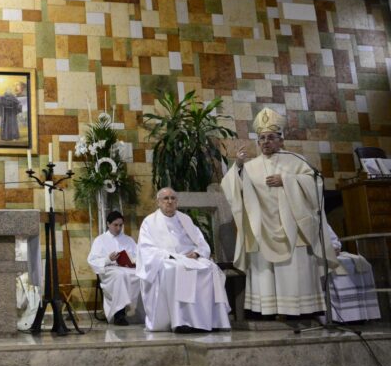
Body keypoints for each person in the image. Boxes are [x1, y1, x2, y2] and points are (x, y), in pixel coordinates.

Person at [220, 107, 337, 317]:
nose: (265, 142)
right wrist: (237, 166)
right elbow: (231, 188)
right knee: (266, 273)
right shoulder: (250, 166)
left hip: (294, 229)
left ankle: (301, 311)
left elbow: (316, 183)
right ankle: (270, 311)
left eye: (270, 137)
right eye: (262, 138)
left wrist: (287, 180)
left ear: (281, 140)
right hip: (263, 229)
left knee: (295, 271)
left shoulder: (296, 161)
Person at [136, 188, 231, 332]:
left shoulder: (185, 219)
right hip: (167, 259)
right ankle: (181, 321)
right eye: (166, 198)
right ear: (158, 202)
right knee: (176, 268)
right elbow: (146, 249)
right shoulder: (149, 222)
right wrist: (172, 256)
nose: (169, 201)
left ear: (177, 202)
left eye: (173, 198)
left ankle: (211, 320)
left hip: (190, 257)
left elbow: (201, 242)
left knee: (210, 268)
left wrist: (198, 253)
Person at [87, 211, 142, 326]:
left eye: (121, 225)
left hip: (127, 268)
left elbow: (138, 256)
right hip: (109, 270)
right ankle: (119, 314)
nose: (118, 228)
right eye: (115, 225)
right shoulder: (100, 240)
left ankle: (136, 313)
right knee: (119, 276)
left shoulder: (128, 240)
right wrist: (108, 259)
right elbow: (92, 260)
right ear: (108, 224)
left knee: (140, 275)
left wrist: (133, 261)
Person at [326, 224, 381, 323]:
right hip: (319, 256)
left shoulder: (321, 221)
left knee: (360, 263)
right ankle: (340, 316)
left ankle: (360, 315)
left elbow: (335, 241)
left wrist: (334, 247)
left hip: (332, 254)